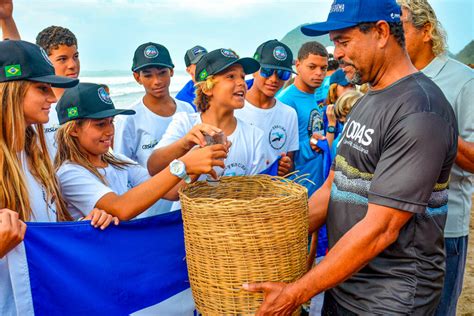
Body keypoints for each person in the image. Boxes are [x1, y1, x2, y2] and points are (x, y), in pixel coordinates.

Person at [243, 0, 458, 315]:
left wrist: (294, 293)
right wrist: (267, 235)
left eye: (343, 41)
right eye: (334, 44)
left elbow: (381, 228)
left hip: (390, 299)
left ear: (382, 32)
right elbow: (333, 186)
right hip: (343, 282)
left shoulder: (420, 110)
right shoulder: (368, 98)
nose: (337, 53)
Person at [0, 39, 117, 316]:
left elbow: (45, 224)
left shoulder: (37, 155)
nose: (52, 98)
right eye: (42, 88)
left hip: (42, 300)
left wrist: (81, 227)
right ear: (12, 90)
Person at [55, 82, 227, 221]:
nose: (110, 131)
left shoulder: (115, 160)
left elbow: (171, 191)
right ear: (73, 129)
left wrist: (200, 155)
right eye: (100, 124)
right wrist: (183, 164)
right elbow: (121, 208)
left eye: (111, 121)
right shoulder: (70, 173)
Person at [399, 1, 474, 314]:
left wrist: (438, 132)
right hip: (395, 226)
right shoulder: (394, 79)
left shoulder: (463, 82)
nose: (388, 35)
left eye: (398, 27)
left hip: (443, 232)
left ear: (426, 29)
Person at [147, 48, 268, 180]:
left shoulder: (255, 136)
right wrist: (186, 143)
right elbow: (153, 167)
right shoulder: (185, 123)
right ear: (207, 88)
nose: (242, 83)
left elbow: (256, 191)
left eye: (243, 77)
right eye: (231, 76)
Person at [113, 43, 195, 215]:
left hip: (183, 209)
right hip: (147, 214)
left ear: (171, 71)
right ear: (137, 77)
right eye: (148, 75)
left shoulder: (187, 109)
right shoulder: (128, 119)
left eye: (162, 73)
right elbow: (121, 172)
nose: (157, 81)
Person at [0, 1, 81, 159]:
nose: (72, 65)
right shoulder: (33, 109)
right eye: (62, 59)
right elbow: (15, 64)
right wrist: (6, 20)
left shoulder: (84, 99)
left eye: (76, 57)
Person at [234, 39, 297, 176]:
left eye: (282, 74)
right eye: (267, 71)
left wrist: (287, 166)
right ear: (254, 72)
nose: (274, 79)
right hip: (236, 193)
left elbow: (290, 163)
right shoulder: (234, 110)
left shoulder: (289, 114)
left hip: (273, 194)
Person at [277, 41, 330, 194]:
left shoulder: (312, 95)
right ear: (298, 65)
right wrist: (311, 144)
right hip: (297, 191)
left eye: (323, 68)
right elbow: (280, 153)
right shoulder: (286, 101)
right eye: (312, 67)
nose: (319, 73)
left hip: (315, 186)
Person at [175, 45, 208, 110]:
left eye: (206, 61)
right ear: (188, 70)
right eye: (198, 63)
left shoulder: (220, 82)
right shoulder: (182, 100)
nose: (204, 66)